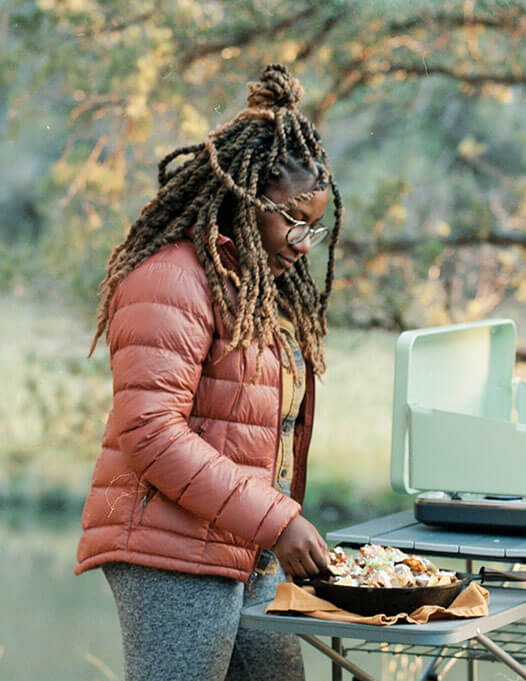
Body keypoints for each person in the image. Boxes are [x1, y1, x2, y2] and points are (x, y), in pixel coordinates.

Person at [75, 64, 342, 681]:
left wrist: (270, 528)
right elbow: (150, 434)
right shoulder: (170, 279)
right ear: (241, 201)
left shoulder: (258, 287)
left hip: (244, 548)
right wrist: (277, 521)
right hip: (171, 555)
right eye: (292, 222)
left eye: (315, 227)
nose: (304, 242)